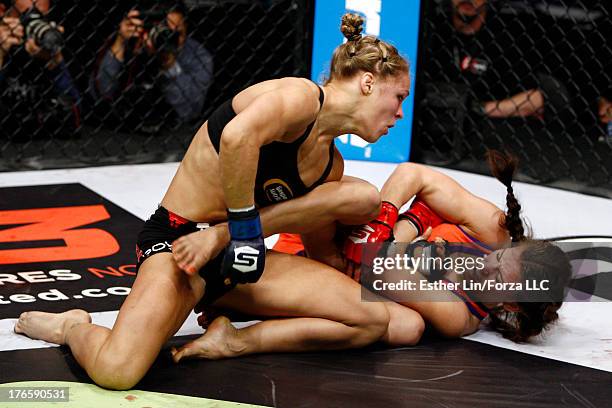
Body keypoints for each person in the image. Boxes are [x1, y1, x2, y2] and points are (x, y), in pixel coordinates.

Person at [14, 13, 411, 390]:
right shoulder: (300, 97)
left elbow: (322, 250)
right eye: (399, 97)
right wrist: (241, 231)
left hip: (237, 259)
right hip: (180, 246)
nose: (399, 114)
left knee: (372, 317)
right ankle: (71, 326)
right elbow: (238, 138)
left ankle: (235, 338)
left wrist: (380, 260)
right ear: (368, 82)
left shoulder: (330, 165)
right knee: (117, 370)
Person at [176, 151, 572, 361]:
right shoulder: (494, 228)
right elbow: (412, 174)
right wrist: (395, 225)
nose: (491, 263)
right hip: (332, 244)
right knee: (356, 197)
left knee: (402, 326)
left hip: (331, 269)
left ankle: (249, 308)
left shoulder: (458, 315)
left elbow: (373, 268)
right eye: (505, 257)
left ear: (511, 304)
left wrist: (408, 225)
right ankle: (235, 226)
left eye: (501, 276)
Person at [416, 0, 569, 173]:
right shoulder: (429, 29)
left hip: (497, 140)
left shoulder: (509, 35)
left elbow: (538, 98)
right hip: (434, 136)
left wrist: (478, 109)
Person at [90, 1, 213, 133]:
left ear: (186, 29)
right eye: (162, 29)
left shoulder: (198, 55)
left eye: (176, 33)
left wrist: (169, 65)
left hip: (172, 136)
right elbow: (101, 94)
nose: (168, 37)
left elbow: (188, 112)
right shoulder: (131, 43)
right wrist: (120, 43)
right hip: (117, 131)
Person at [0, 0, 80, 141]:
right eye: (25, 17)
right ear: (3, 12)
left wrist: (55, 61)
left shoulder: (51, 45)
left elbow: (77, 116)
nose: (33, 24)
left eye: (41, 17)